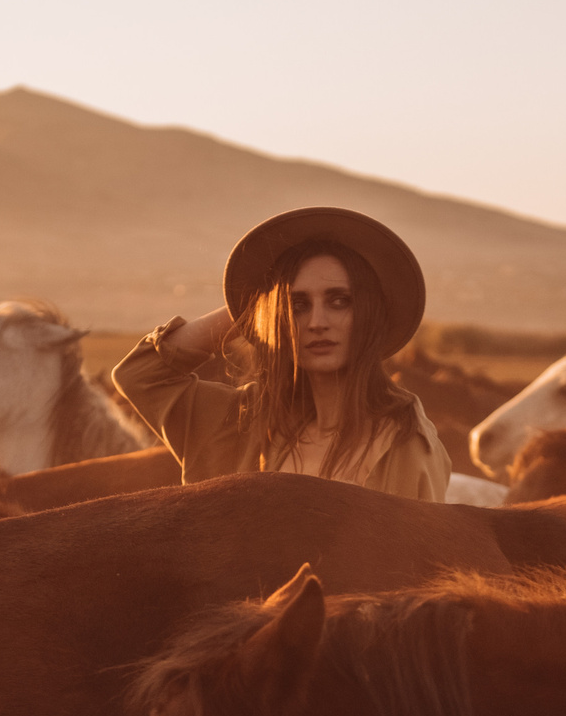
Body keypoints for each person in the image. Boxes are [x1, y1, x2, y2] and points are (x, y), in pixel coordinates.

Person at [112, 207, 452, 501]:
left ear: (369, 314)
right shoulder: (241, 424)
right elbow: (141, 374)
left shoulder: (406, 441)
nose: (317, 323)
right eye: (298, 306)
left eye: (339, 301)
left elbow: (420, 568)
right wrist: (257, 304)